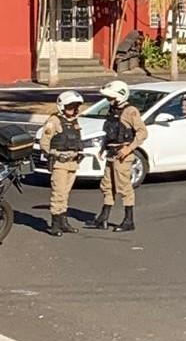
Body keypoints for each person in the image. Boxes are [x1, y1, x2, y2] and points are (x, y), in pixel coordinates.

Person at [86, 81, 147, 232]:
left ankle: (128, 220)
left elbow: (142, 132)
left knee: (124, 187)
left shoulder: (130, 111)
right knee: (107, 186)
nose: (108, 100)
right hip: (111, 154)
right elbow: (110, 132)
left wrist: (128, 149)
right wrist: (102, 148)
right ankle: (103, 218)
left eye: (110, 97)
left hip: (123, 156)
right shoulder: (112, 110)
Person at [39, 91, 85, 236]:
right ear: (62, 106)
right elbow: (44, 142)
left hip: (72, 163)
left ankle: (64, 222)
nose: (74, 109)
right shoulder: (54, 121)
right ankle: (55, 224)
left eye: (76, 106)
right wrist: (55, 153)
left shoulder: (74, 121)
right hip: (60, 163)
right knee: (58, 194)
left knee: (65, 194)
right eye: (71, 106)